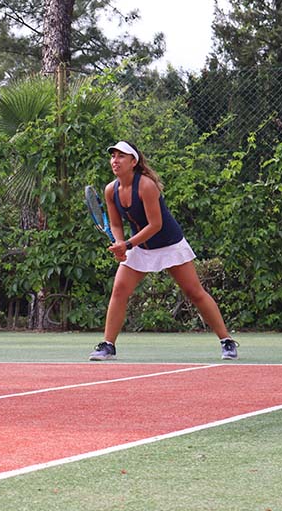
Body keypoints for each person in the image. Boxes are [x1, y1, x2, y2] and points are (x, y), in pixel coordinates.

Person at [89, 141, 239, 361]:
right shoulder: (111, 190)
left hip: (168, 243)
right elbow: (116, 224)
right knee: (119, 290)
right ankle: (108, 345)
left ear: (133, 161)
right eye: (113, 156)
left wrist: (127, 245)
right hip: (139, 245)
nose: (115, 161)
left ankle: (226, 341)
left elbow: (155, 224)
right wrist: (120, 244)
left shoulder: (146, 186)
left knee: (194, 293)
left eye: (121, 156)